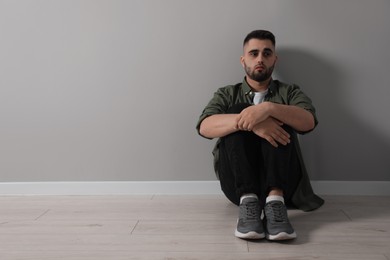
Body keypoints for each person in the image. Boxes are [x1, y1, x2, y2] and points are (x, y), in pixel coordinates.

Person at [196, 30, 324, 241]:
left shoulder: (289, 92)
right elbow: (205, 126)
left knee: (286, 113)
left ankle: (275, 204)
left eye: (267, 53)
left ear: (275, 58)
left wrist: (269, 109)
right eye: (253, 53)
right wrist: (252, 123)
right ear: (243, 59)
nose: (260, 59)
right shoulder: (227, 93)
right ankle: (249, 203)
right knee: (238, 108)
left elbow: (308, 121)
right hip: (237, 186)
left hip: (284, 183)